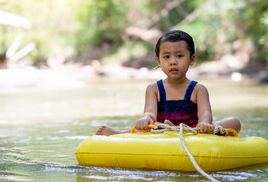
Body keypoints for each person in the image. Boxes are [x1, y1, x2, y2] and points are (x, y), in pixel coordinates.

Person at [96, 30, 241, 136]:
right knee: (146, 127)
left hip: (193, 132)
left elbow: (205, 113)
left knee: (234, 122)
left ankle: (207, 134)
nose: (173, 61)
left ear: (191, 59)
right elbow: (150, 113)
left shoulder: (198, 89)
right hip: (162, 129)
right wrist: (145, 118)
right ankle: (121, 134)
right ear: (159, 61)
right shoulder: (154, 89)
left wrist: (204, 124)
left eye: (179, 55)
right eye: (166, 57)